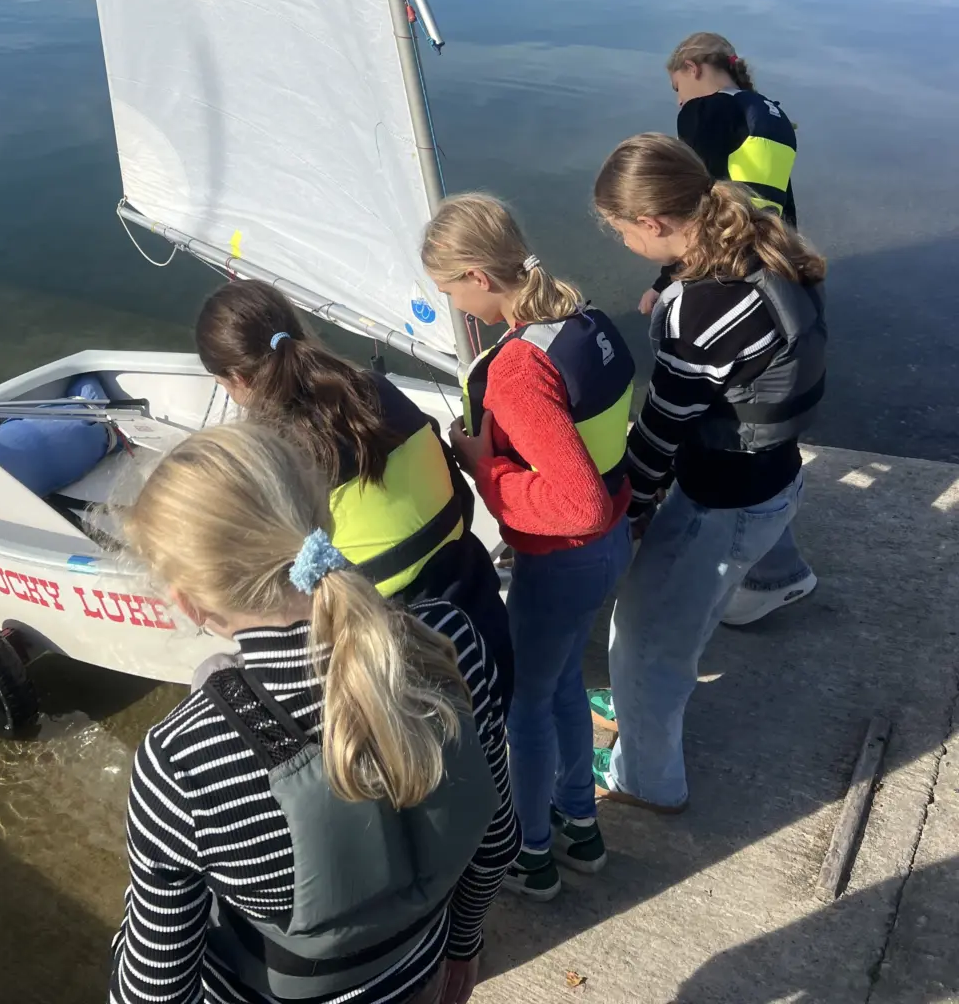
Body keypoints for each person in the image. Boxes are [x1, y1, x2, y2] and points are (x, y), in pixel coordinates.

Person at [111, 423, 519, 1004]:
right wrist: (463, 942)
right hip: (420, 976)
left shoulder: (181, 761)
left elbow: (154, 992)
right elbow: (496, 837)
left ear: (188, 602)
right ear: (322, 518)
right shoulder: (449, 644)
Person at [593, 134, 827, 813]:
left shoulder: (699, 312)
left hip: (724, 502)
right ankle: (776, 580)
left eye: (620, 231)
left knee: (644, 640)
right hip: (776, 478)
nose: (623, 243)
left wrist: (630, 510)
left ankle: (645, 781)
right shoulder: (764, 241)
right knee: (687, 611)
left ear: (652, 222)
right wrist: (667, 279)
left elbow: (661, 428)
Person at [421, 194, 634, 902]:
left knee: (524, 706)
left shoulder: (516, 371)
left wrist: (484, 467)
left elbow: (577, 502)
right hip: (610, 546)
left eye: (449, 288)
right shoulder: (584, 318)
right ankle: (580, 827)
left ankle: (531, 855)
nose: (451, 303)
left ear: (479, 276)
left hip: (566, 556)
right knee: (563, 681)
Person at [195, 279, 513, 702]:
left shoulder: (271, 458)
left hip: (396, 666)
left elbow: (276, 596)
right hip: (480, 619)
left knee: (210, 672)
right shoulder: (377, 390)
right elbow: (459, 497)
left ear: (236, 377)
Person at [638, 32, 814, 626]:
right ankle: (779, 570)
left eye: (676, 86)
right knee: (763, 414)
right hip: (774, 269)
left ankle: (742, 563)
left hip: (725, 276)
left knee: (709, 414)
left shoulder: (705, 111)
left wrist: (666, 279)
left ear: (693, 68)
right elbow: (776, 202)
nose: (677, 100)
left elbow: (693, 203)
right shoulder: (770, 110)